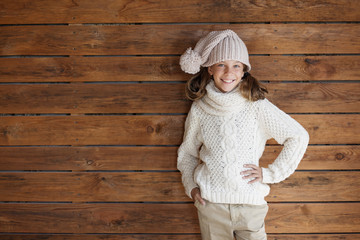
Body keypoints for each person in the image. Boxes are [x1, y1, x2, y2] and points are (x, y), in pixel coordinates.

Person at [177, 29, 309, 240]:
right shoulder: (200, 109)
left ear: (244, 70)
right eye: (221, 64)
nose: (229, 72)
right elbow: (187, 153)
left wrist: (271, 174)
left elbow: (298, 136)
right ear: (210, 68)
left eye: (236, 65)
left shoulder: (256, 106)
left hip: (251, 206)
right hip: (212, 206)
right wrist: (191, 187)